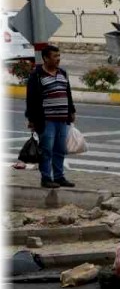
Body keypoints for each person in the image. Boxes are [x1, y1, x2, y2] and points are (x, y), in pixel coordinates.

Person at [24, 44, 77, 189]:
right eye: (55, 56)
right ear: (46, 58)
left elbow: (68, 93)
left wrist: (71, 111)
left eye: (59, 56)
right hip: (46, 120)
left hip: (62, 119)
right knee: (46, 150)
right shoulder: (37, 75)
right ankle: (46, 178)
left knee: (60, 150)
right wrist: (31, 119)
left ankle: (59, 177)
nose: (58, 59)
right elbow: (31, 99)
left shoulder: (62, 73)